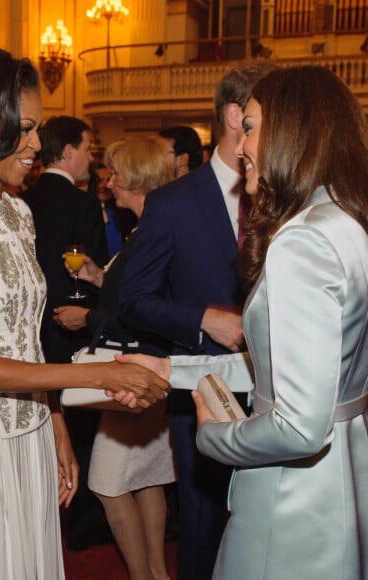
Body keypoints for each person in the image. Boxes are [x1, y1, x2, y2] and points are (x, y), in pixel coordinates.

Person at [0, 47, 170, 580]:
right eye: (23, 129)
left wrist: (57, 423)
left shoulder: (18, 211)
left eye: (38, 129)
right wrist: (97, 374)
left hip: (29, 430)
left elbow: (28, 337)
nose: (34, 146)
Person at [192, 65, 367, 579]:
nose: (240, 144)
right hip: (344, 477)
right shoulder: (348, 220)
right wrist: (168, 373)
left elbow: (298, 427)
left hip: (293, 497)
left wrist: (214, 437)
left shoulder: (302, 241)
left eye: (249, 126)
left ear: (292, 130)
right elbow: (297, 367)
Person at [119, 61, 277, 580]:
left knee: (269, 531)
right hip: (203, 393)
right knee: (203, 528)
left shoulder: (284, 194)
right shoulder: (171, 204)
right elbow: (133, 300)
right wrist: (204, 318)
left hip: (281, 392)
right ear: (236, 115)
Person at [55, 137, 176, 580]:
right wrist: (96, 274)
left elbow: (141, 309)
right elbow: (133, 292)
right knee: (146, 479)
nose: (110, 182)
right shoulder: (146, 230)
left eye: (117, 174)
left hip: (137, 372)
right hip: (144, 370)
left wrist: (88, 316)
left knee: (106, 485)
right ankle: (158, 574)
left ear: (140, 178)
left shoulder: (151, 233)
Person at [23, 115, 111, 551]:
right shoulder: (82, 204)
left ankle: (42, 510)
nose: (92, 159)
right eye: (89, 149)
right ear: (69, 151)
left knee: (41, 424)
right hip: (73, 331)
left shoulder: (21, 198)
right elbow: (99, 269)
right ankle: (82, 523)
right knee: (81, 430)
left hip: (30, 330)